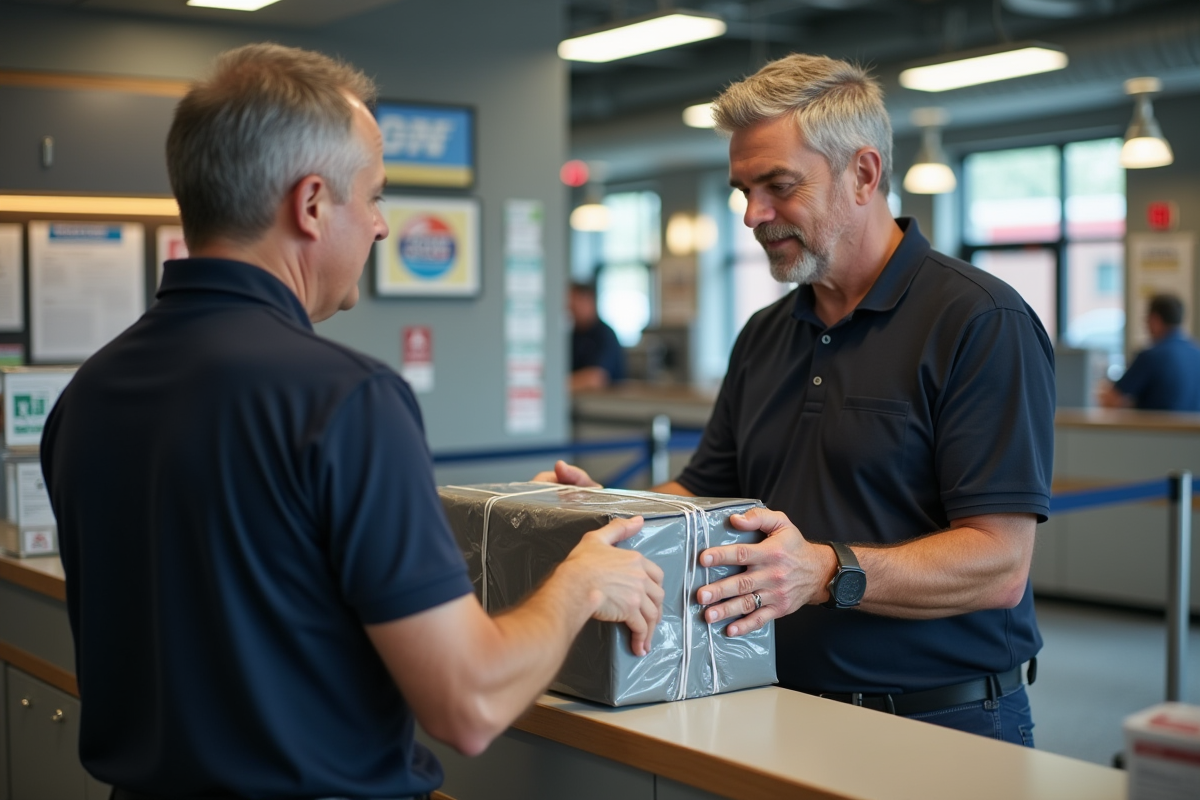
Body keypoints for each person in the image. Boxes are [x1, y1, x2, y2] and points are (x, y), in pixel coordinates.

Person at [40, 43, 663, 800]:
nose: (380, 228)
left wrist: (488, 527)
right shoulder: (346, 399)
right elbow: (468, 706)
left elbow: (260, 580)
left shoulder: (91, 392)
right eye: (373, 197)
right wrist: (581, 581)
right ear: (310, 205)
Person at [539, 53, 1054, 746]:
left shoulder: (980, 321)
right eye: (744, 189)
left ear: (864, 174)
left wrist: (826, 570)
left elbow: (999, 565)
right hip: (774, 700)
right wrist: (607, 515)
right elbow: (704, 489)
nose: (754, 214)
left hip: (942, 719)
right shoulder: (765, 333)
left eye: (778, 186)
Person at [1100, 293, 1200, 411]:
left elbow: (1112, 399)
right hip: (1192, 429)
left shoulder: (1151, 356)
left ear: (1155, 320)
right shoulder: (1196, 353)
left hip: (1155, 428)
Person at [570, 280, 626, 390]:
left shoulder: (604, 334)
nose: (570, 308)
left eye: (574, 302)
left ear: (588, 300)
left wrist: (556, 384)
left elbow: (596, 378)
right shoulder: (573, 334)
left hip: (605, 404)